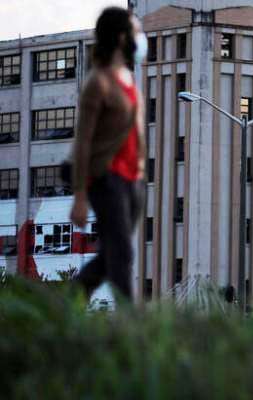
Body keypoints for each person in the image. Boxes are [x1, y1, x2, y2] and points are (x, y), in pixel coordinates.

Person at [70, 7, 147, 301]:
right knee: (122, 254)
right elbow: (83, 142)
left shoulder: (128, 78)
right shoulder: (98, 82)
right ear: (120, 37)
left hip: (132, 181)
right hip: (107, 179)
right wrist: (79, 196)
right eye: (136, 31)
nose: (140, 38)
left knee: (112, 254)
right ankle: (131, 328)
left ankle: (68, 303)